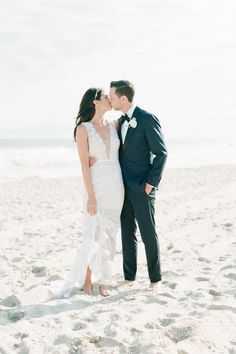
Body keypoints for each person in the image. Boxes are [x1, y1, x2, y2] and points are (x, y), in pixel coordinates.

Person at [57, 87, 124, 297]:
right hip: (95, 187)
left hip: (116, 186)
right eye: (105, 97)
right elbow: (84, 166)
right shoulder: (83, 129)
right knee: (92, 233)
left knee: (110, 234)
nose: (109, 99)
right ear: (95, 102)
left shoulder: (115, 124)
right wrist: (91, 196)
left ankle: (104, 280)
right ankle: (87, 281)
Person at [109, 80, 168, 291]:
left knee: (147, 232)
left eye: (112, 96)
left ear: (123, 98)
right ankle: (129, 276)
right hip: (123, 187)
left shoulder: (146, 118)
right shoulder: (119, 122)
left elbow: (161, 153)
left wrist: (151, 184)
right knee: (127, 232)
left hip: (143, 187)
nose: (110, 99)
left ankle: (155, 279)